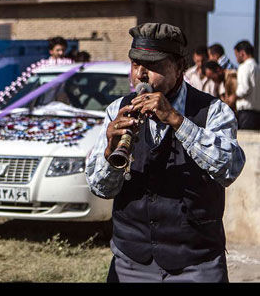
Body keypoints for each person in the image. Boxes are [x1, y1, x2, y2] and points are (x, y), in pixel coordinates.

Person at [86, 23, 245, 283]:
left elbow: (230, 168)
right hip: (131, 262)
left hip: (196, 263)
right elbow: (100, 188)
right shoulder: (117, 109)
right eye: (135, 64)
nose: (140, 75)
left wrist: (177, 120)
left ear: (179, 67)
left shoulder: (213, 111)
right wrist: (110, 151)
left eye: (152, 66)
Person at [233, 40, 260, 130]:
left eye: (236, 55)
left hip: (246, 113)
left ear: (242, 53)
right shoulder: (257, 67)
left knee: (245, 141)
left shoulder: (244, 67)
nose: (236, 59)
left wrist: (233, 97)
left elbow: (244, 89)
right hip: (257, 113)